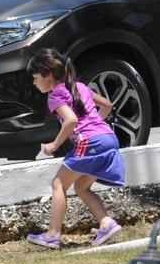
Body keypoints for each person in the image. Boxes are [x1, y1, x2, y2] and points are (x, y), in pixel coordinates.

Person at [26, 49, 125, 249]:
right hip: (108, 138)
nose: (34, 83)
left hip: (89, 143)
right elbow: (107, 105)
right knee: (81, 187)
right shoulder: (79, 86)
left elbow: (70, 120)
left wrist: (54, 144)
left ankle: (53, 234)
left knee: (58, 184)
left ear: (47, 75)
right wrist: (96, 127)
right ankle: (107, 224)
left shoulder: (55, 96)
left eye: (35, 78)